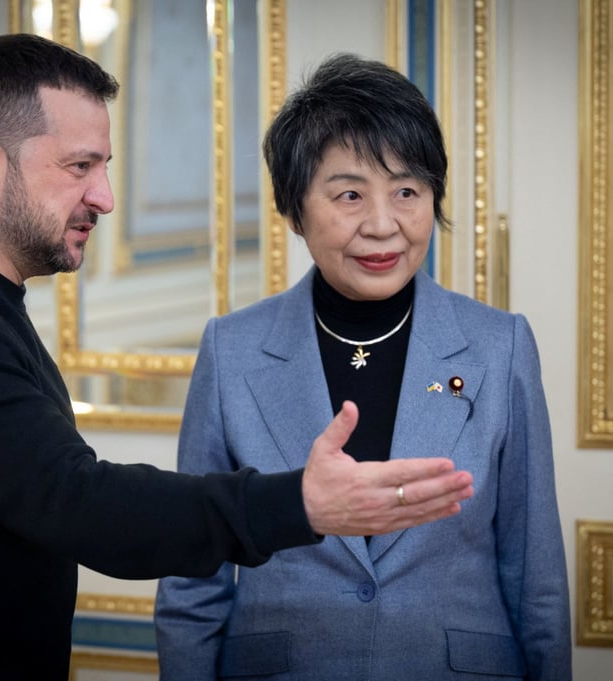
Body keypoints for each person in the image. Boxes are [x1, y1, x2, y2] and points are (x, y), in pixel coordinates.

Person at [0, 36, 476, 680]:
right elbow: (83, 503)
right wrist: (298, 501)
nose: (105, 197)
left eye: (104, 167)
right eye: (79, 166)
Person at [154, 53, 571, 680]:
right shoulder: (231, 350)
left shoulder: (499, 346)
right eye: (350, 194)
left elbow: (534, 572)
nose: (383, 225)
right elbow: (194, 578)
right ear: (295, 210)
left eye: (407, 191)